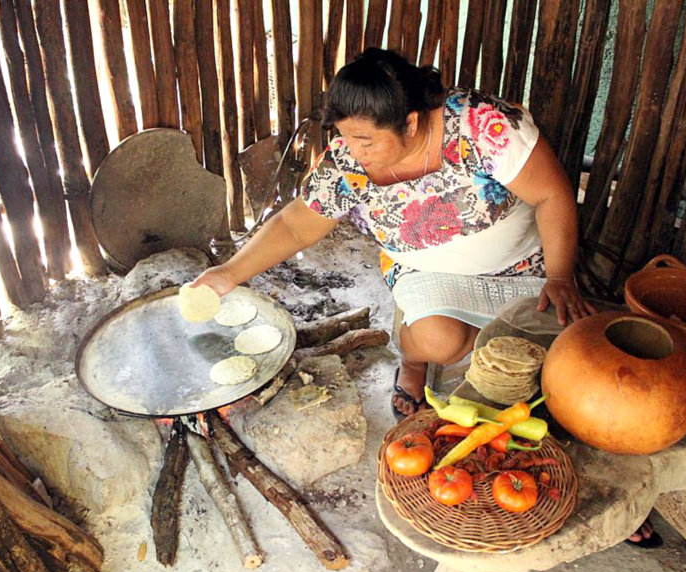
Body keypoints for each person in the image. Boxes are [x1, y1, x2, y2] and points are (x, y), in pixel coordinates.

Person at [193, 47, 595, 417]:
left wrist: (559, 276)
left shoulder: (481, 125)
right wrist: (228, 274)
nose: (352, 150)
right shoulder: (346, 163)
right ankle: (415, 361)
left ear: (411, 122)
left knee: (563, 357)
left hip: (521, 264)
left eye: (365, 140)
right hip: (424, 273)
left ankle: (489, 343)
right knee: (440, 340)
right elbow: (295, 227)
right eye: (344, 136)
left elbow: (551, 194)